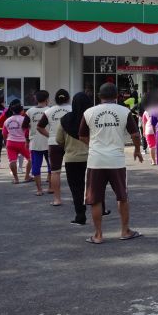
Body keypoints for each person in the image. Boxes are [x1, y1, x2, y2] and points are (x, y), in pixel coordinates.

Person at [79, 82, 143, 243]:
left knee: (95, 199)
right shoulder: (124, 111)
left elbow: (82, 136)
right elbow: (135, 134)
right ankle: (125, 230)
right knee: (122, 197)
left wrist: (94, 146)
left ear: (99, 96)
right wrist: (136, 149)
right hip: (116, 161)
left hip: (96, 161)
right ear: (117, 96)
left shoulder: (89, 113)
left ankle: (98, 235)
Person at [58, 92, 93, 225]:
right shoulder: (92, 118)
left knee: (76, 188)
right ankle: (100, 209)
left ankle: (80, 215)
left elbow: (58, 139)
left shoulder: (65, 120)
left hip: (71, 159)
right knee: (93, 186)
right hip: (91, 157)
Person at [36, 89, 71, 206]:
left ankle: (57, 199)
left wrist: (50, 135)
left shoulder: (49, 111)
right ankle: (79, 197)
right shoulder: (73, 109)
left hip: (54, 143)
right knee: (75, 171)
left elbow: (39, 127)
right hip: (71, 143)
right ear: (68, 98)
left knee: (55, 172)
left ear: (54, 99)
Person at [26, 90, 52, 197]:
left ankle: (39, 190)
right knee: (52, 166)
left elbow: (24, 126)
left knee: (36, 167)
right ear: (47, 99)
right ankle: (50, 187)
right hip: (49, 142)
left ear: (36, 99)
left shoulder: (29, 111)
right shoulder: (50, 110)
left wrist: (27, 140)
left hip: (35, 142)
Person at [1, 103, 30, 185]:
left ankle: (16, 178)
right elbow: (27, 131)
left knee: (12, 160)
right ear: (21, 111)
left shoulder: (7, 120)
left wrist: (5, 142)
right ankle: (27, 176)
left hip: (10, 142)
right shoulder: (24, 119)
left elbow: (4, 133)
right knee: (30, 159)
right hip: (22, 142)